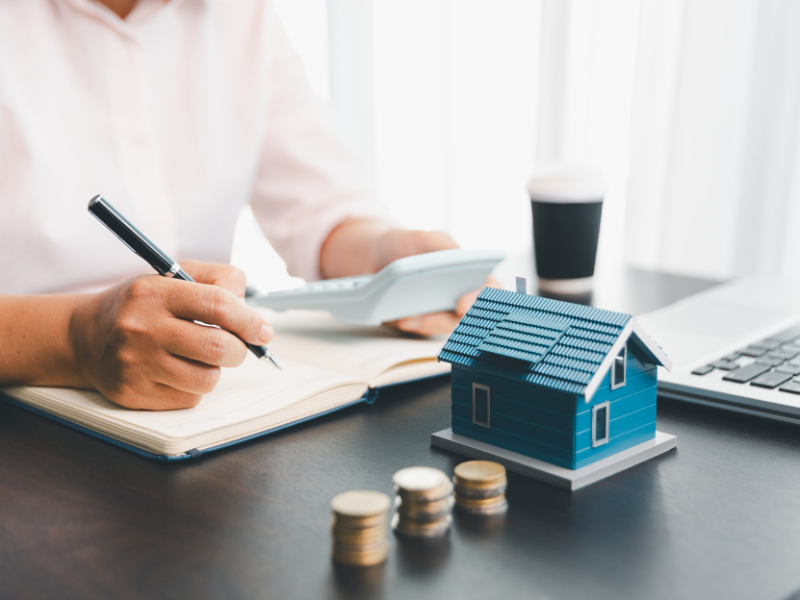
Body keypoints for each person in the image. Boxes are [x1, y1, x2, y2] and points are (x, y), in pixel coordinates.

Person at [0, 0, 490, 410]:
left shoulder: (242, 13)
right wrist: (75, 339)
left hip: (197, 405)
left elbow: (320, 207)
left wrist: (385, 258)